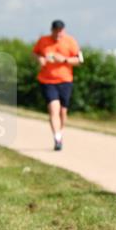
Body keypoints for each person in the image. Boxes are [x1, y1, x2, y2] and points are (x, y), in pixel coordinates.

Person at [32, 20, 83, 151]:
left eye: (60, 31)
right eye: (56, 31)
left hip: (65, 80)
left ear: (63, 30)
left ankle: (60, 133)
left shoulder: (70, 41)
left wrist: (65, 60)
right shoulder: (43, 40)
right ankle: (57, 138)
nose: (58, 33)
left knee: (62, 112)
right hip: (47, 80)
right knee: (54, 109)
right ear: (52, 30)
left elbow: (80, 60)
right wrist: (40, 59)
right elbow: (35, 53)